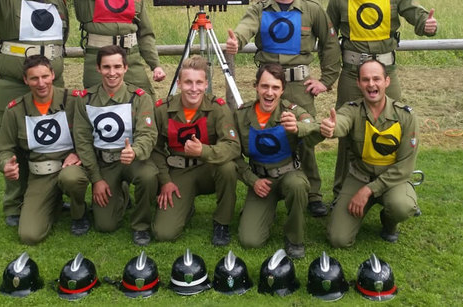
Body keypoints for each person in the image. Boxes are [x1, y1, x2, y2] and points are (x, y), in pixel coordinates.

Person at [226, 0, 341, 217]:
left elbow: (330, 44)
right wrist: (238, 42)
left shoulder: (312, 9)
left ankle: (311, 193)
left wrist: (326, 80)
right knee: (267, 131)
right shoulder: (260, 8)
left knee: (304, 135)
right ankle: (264, 180)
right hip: (269, 85)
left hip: (300, 86)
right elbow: (246, 27)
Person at [327, 0, 437, 199]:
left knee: (392, 126)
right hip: (352, 75)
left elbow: (419, 17)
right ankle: (341, 191)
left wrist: (428, 26)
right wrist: (328, 76)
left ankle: (393, 190)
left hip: (387, 74)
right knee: (345, 130)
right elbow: (328, 37)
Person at [0, 0, 69, 227]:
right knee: (12, 141)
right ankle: (14, 204)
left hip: (52, 83)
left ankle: (54, 195)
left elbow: (61, 39)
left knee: (54, 137)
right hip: (14, 83)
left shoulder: (58, 1)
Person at [320, 59, 419, 248]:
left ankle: (389, 223)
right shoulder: (351, 110)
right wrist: (331, 128)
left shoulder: (406, 116)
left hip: (392, 181)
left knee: (401, 206)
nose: (371, 84)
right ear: (358, 83)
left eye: (376, 79)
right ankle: (359, 207)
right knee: (338, 239)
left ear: (386, 82)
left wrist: (368, 191)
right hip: (359, 177)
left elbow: (405, 167)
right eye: (365, 80)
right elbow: (341, 122)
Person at [0, 55, 89, 245]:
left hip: (69, 168)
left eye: (45, 76)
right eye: (34, 78)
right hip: (40, 174)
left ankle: (79, 214)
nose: (41, 83)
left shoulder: (74, 100)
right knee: (30, 235)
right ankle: (52, 203)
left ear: (53, 74)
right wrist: (6, 164)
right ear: (25, 80)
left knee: (71, 178)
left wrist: (78, 153)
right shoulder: (15, 110)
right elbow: (3, 149)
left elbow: (93, 133)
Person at [234, 64, 324, 259]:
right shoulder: (241, 115)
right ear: (255, 86)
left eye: (275, 88)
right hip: (260, 180)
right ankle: (264, 212)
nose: (269, 92)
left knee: (298, 185)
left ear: (282, 90)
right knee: (250, 241)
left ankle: (294, 238)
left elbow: (315, 128)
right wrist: (252, 180)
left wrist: (298, 127)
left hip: (288, 175)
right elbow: (233, 155)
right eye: (264, 86)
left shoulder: (292, 111)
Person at [73, 45, 158, 246]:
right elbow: (83, 140)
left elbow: (148, 133)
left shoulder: (139, 97)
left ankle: (141, 225)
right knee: (105, 225)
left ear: (126, 68)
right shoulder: (85, 100)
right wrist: (96, 179)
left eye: (117, 67)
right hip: (104, 164)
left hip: (131, 160)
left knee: (148, 176)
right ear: (98, 68)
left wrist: (135, 151)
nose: (112, 73)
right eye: (107, 67)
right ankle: (121, 197)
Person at [151, 55, 240, 246]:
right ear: (179, 83)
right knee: (164, 233)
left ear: (206, 84)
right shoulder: (162, 109)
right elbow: (155, 149)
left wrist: (203, 151)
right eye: (188, 82)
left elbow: (232, 146)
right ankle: (186, 207)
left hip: (210, 168)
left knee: (228, 168)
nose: (194, 88)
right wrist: (165, 181)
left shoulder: (218, 109)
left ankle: (222, 222)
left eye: (199, 82)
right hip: (179, 171)